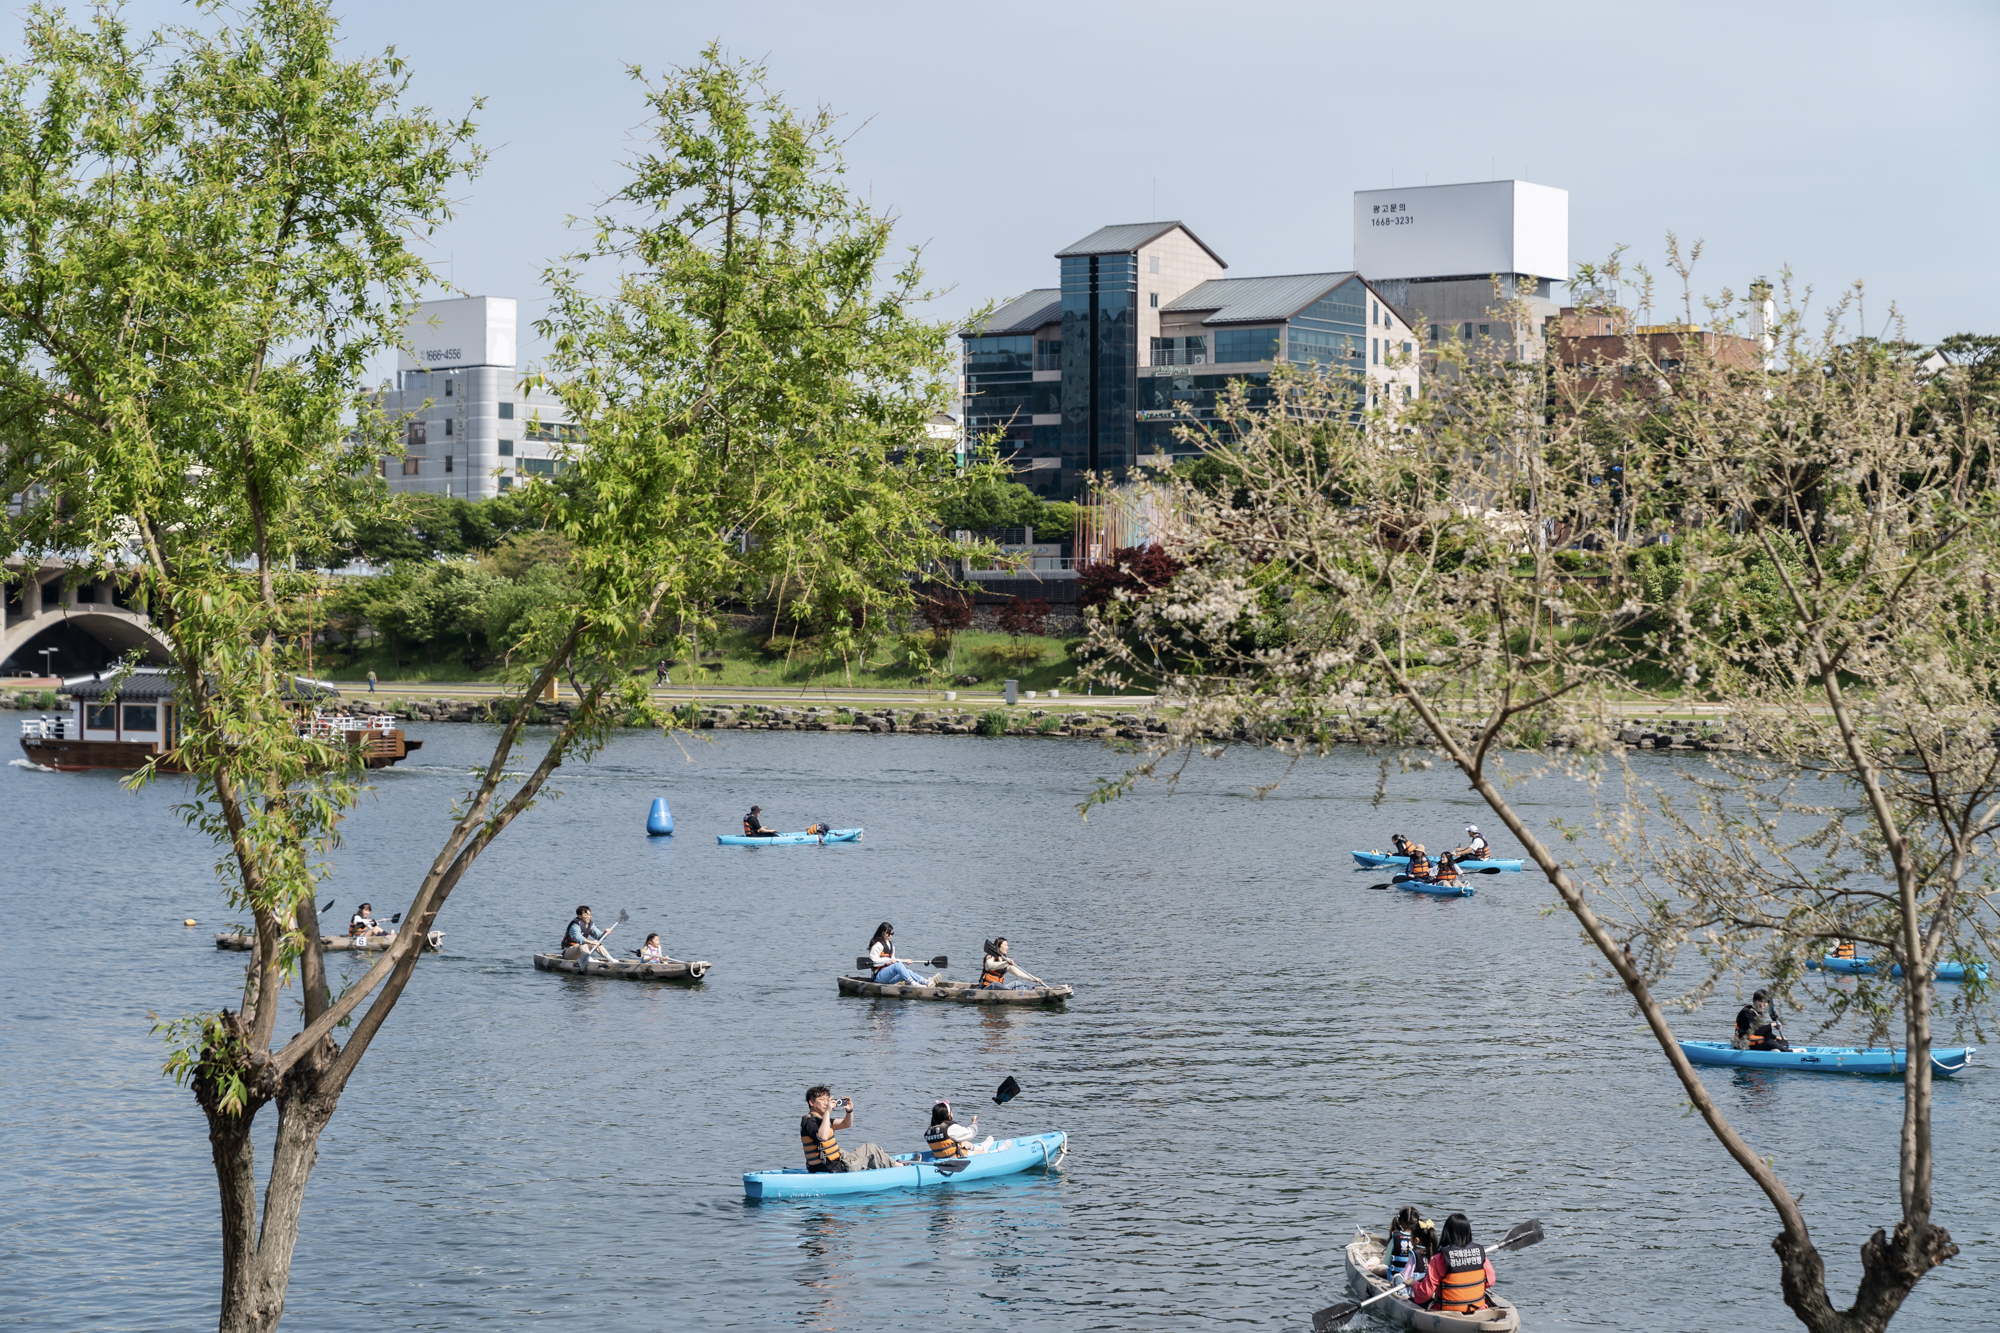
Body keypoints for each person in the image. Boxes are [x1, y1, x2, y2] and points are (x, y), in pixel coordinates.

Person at [1406, 1213, 1495, 1314]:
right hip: (1477, 1308)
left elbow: (1426, 1293)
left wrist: (1413, 1284)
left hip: (1449, 1311)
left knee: (1410, 1302)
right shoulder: (1480, 1253)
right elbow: (1490, 1282)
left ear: (1446, 1233)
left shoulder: (1439, 1258)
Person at [801, 1085, 896, 1172]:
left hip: (828, 1166)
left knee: (842, 1152)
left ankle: (875, 1163)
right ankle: (899, 1166)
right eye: (822, 1100)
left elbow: (846, 1124)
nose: (826, 1103)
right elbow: (823, 1137)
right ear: (811, 1102)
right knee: (869, 1148)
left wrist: (849, 1111)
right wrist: (828, 1112)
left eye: (827, 1100)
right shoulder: (810, 1121)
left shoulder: (822, 1120)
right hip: (833, 1168)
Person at [867, 923, 938, 986]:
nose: (890, 935)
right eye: (888, 933)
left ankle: (926, 982)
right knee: (898, 965)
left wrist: (905, 960)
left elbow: (894, 960)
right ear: (882, 933)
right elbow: (874, 962)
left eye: (891, 934)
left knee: (907, 972)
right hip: (878, 978)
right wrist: (889, 960)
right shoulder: (877, 946)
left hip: (888, 978)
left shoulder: (891, 945)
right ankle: (914, 984)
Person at [1381, 1206, 1438, 1283]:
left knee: (1378, 1264)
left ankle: (1369, 1268)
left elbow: (1386, 1263)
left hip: (1397, 1279)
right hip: (1418, 1281)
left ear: (1399, 1222)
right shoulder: (1425, 1240)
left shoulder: (1395, 1238)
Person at [923, 1100, 990, 1159]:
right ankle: (990, 1151)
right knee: (980, 1153)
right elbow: (971, 1133)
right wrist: (974, 1122)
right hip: (955, 1157)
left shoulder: (929, 1131)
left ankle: (982, 1147)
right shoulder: (950, 1128)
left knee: (965, 1143)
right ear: (948, 1115)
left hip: (940, 1156)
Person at [978, 937, 1045, 990]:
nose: (1007, 947)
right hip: (987, 988)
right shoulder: (990, 956)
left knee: (1016, 983)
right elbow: (989, 966)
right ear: (998, 947)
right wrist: (1006, 963)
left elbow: (1019, 973)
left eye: (1007, 945)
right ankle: (1010, 992)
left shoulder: (1005, 959)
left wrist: (1033, 979)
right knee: (995, 984)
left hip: (1000, 989)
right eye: (1005, 945)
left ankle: (1032, 992)